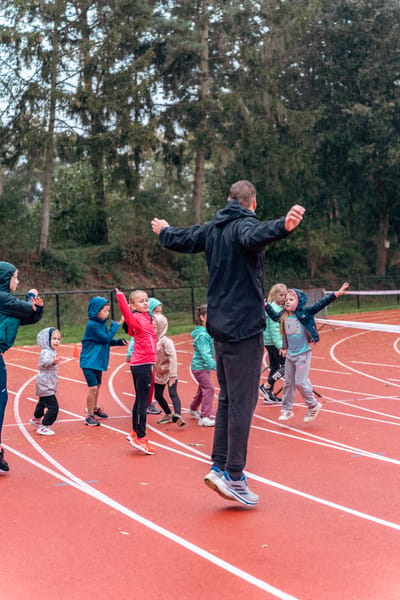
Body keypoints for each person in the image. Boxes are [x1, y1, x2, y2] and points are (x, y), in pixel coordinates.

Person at [151, 179, 304, 507]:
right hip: (243, 329)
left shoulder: (213, 229)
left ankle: (220, 466)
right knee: (243, 402)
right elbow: (255, 234)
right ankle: (235, 474)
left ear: (228, 200)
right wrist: (284, 226)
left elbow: (184, 238)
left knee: (227, 401)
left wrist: (165, 231)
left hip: (220, 327)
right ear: (253, 203)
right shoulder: (242, 227)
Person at [266, 283, 349, 423]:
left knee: (299, 382)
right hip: (291, 355)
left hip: (303, 354)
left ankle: (313, 405)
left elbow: (320, 304)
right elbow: (276, 320)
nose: (287, 302)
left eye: (291, 299)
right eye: (286, 300)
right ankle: (286, 410)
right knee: (288, 383)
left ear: (298, 301)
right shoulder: (283, 316)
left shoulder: (305, 313)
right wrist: (266, 306)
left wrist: (336, 294)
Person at [0, 263, 43, 472]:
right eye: (15, 277)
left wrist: (36, 308)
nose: (17, 281)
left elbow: (30, 316)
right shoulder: (2, 298)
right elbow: (27, 308)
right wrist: (31, 296)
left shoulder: (7, 304)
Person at [116, 288, 157, 455]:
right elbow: (126, 313)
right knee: (143, 401)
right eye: (141, 301)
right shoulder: (137, 319)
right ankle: (140, 436)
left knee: (140, 399)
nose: (145, 303)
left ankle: (135, 431)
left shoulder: (146, 317)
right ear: (133, 305)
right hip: (142, 364)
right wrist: (120, 297)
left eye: (146, 300)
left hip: (143, 362)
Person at [80, 296, 126, 427]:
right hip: (89, 361)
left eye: (108, 311)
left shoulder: (101, 325)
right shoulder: (92, 325)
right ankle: (89, 416)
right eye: (105, 311)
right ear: (96, 311)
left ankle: (94, 408)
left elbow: (105, 340)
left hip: (98, 361)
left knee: (98, 386)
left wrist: (117, 342)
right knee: (93, 387)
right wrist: (116, 325)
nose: (107, 313)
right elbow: (105, 338)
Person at [125, 296, 162, 415]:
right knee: (144, 389)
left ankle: (147, 404)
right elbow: (134, 340)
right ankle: (145, 406)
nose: (159, 314)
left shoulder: (149, 320)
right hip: (141, 360)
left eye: (160, 311)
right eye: (156, 311)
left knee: (149, 384)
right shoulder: (140, 320)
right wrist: (130, 354)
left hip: (148, 359)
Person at [152, 312, 186, 427]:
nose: (153, 329)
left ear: (162, 327)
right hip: (158, 372)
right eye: (151, 326)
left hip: (169, 372)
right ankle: (168, 414)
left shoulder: (166, 341)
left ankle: (178, 414)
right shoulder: (151, 340)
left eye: (155, 327)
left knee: (173, 393)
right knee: (158, 395)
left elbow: (173, 357)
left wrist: (173, 374)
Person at [259, 283, 288, 405]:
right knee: (287, 367)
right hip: (274, 343)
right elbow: (274, 330)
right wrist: (280, 345)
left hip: (271, 342)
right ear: (274, 295)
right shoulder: (273, 309)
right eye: (281, 295)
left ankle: (268, 395)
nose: (284, 297)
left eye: (285, 295)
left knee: (275, 367)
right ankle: (266, 386)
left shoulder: (278, 308)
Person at [30, 327, 61, 436]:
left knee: (43, 402)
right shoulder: (46, 352)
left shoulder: (50, 351)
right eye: (54, 338)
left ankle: (36, 419)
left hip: (46, 382)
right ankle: (44, 426)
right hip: (45, 383)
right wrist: (52, 362)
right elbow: (43, 363)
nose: (57, 341)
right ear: (46, 340)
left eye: (58, 339)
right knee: (54, 407)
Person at [189, 305, 216, 427]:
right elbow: (205, 354)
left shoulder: (206, 332)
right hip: (200, 367)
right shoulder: (203, 336)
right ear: (202, 317)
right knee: (209, 389)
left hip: (204, 367)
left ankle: (193, 408)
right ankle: (204, 417)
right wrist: (215, 366)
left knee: (202, 389)